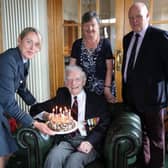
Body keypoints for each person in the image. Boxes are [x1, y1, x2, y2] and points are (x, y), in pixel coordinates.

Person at [30, 65, 110, 168]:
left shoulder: (97, 101)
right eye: (69, 80)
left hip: (87, 140)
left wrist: (90, 142)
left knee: (73, 162)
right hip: (66, 141)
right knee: (53, 158)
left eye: (77, 79)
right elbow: (35, 109)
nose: (73, 83)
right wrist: (48, 116)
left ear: (83, 81)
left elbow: (104, 124)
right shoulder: (62, 96)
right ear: (65, 83)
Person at [0, 27, 55, 168]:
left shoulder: (24, 60)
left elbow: (22, 89)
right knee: (2, 152)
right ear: (19, 40)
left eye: (36, 44)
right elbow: (8, 103)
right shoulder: (8, 60)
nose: (32, 47)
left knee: (7, 151)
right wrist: (35, 123)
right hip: (2, 106)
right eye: (28, 42)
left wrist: (40, 109)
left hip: (2, 107)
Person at [122, 2, 168, 168]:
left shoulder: (160, 37)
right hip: (132, 99)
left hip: (153, 100)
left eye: (138, 17)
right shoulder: (127, 38)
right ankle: (143, 164)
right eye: (131, 18)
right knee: (140, 137)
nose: (134, 21)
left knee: (156, 140)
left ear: (148, 16)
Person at [70, 11, 115, 103]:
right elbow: (72, 68)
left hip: (103, 90)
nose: (90, 28)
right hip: (82, 90)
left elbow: (110, 69)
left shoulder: (106, 43)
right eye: (86, 25)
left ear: (98, 26)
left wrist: (107, 90)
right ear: (82, 26)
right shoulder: (77, 44)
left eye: (93, 25)